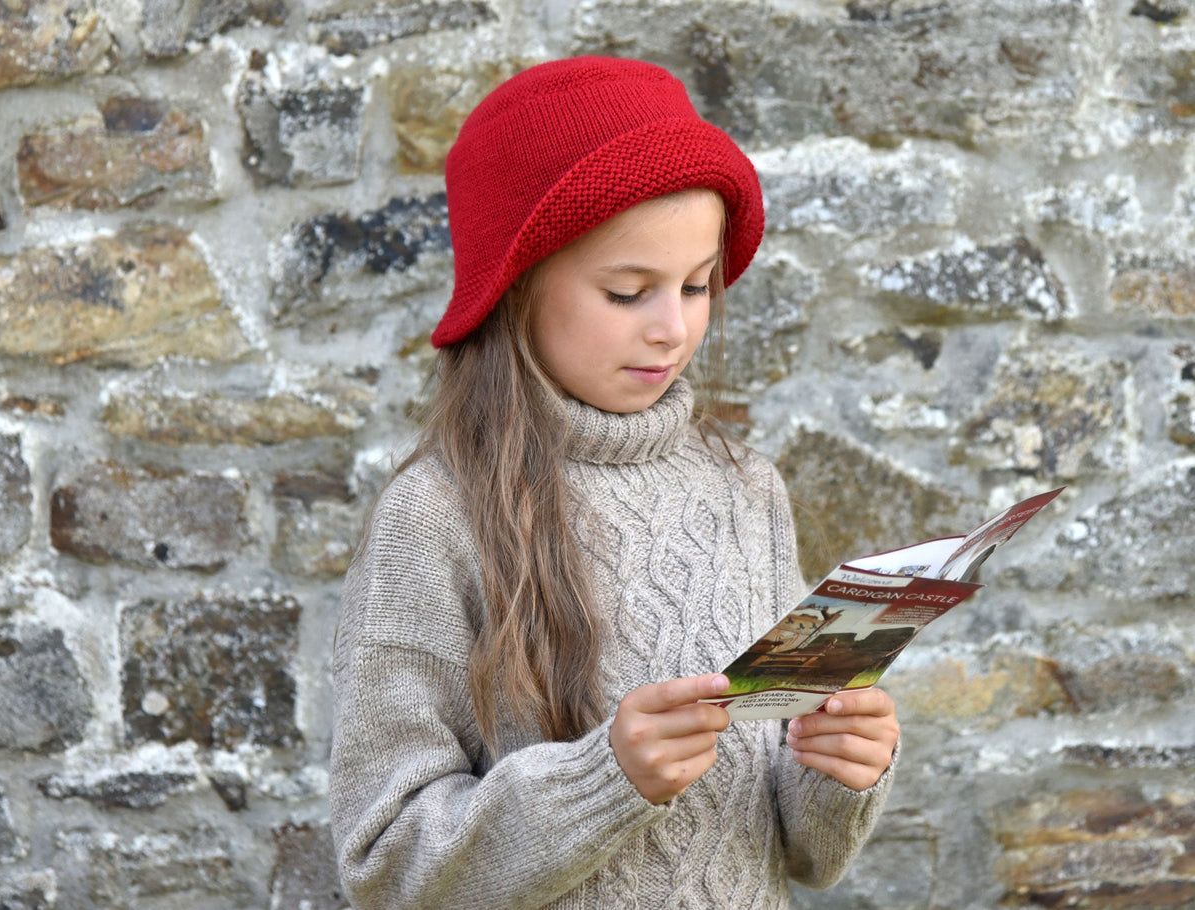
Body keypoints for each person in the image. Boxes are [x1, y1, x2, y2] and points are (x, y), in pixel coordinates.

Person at [329, 55, 900, 909]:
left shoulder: (748, 491)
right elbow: (385, 861)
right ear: (515, 289)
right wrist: (605, 781)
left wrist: (842, 771)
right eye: (628, 291)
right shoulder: (435, 516)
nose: (673, 329)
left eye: (697, 286)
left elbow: (802, 851)